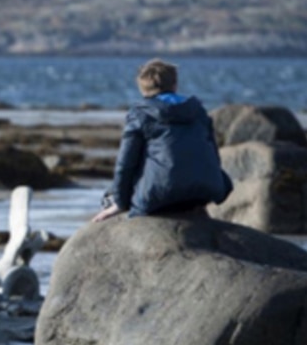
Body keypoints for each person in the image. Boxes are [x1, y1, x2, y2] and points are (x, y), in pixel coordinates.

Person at [92, 59, 232, 222]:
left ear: (143, 88)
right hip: (206, 190)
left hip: (161, 195)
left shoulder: (141, 114)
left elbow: (126, 164)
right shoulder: (198, 111)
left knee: (111, 194)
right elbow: (214, 156)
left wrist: (120, 203)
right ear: (175, 84)